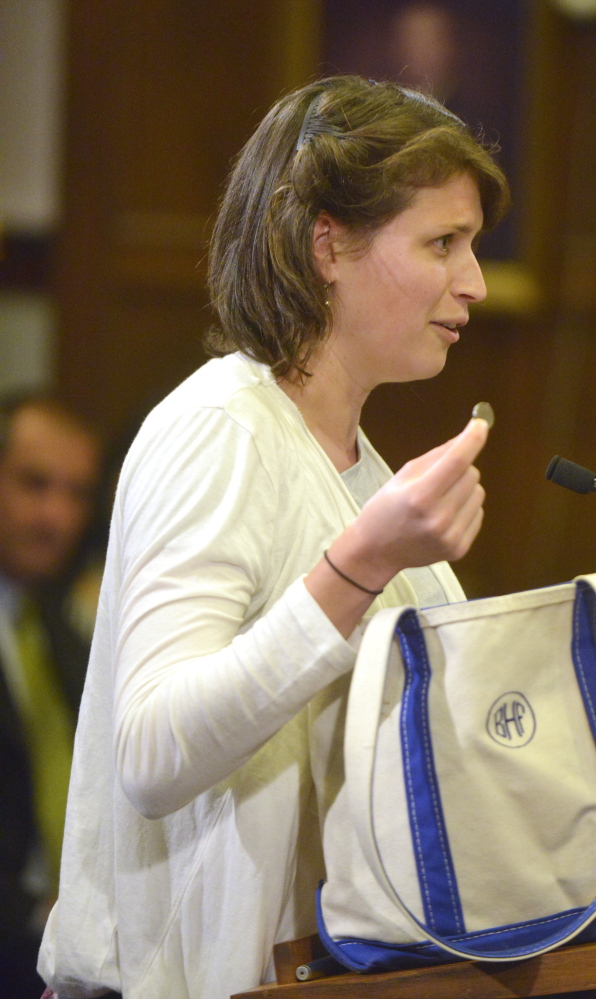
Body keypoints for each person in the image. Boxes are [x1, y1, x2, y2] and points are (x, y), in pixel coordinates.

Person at [37, 76, 509, 998]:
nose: (475, 282)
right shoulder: (220, 427)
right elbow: (152, 750)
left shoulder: (361, 465)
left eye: (473, 246)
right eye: (442, 243)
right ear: (327, 244)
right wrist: (362, 564)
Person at [0, 393, 100, 997]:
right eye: (34, 484)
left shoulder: (60, 627)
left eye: (77, 494)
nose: (54, 517)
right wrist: (36, 915)